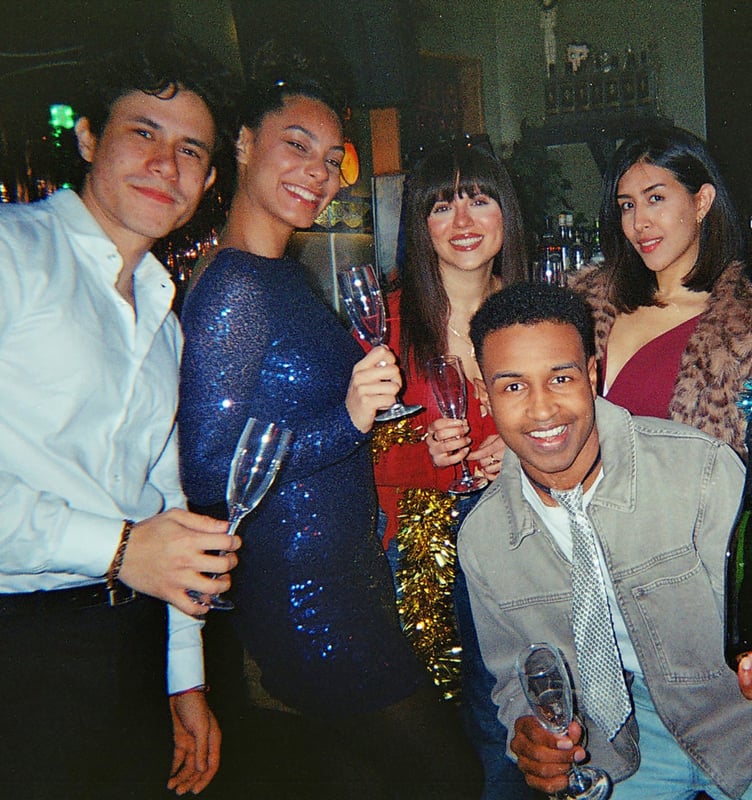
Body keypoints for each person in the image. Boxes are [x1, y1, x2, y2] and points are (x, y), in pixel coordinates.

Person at [177, 43, 481, 797]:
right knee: (450, 777)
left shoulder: (277, 272)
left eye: (333, 157)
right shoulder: (238, 287)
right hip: (309, 596)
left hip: (344, 577)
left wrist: (374, 419)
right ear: (242, 144)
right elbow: (208, 474)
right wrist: (348, 419)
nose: (318, 171)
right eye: (297, 147)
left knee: (364, 779)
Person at [457, 281, 752, 799]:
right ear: (484, 395)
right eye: (513, 387)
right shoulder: (483, 538)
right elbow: (513, 676)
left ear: (592, 374)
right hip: (615, 746)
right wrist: (529, 730)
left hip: (751, 722)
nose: (543, 410)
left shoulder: (698, 468)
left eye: (561, 378)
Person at [0, 35, 237, 797]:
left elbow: (162, 500)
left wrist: (182, 677)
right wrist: (119, 548)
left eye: (191, 151)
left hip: (128, 643)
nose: (167, 166)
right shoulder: (13, 256)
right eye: (144, 133)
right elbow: (138, 538)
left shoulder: (164, 318)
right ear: (88, 138)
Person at [372, 140, 534, 799]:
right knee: (428, 734)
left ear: (506, 215)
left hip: (519, 535)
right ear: (420, 224)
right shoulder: (385, 320)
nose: (464, 221)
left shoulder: (536, 314)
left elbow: (580, 427)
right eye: (442, 205)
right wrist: (424, 459)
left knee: (509, 712)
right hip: (416, 551)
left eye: (480, 199)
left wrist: (520, 454)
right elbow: (349, 454)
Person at [572, 125, 752, 456]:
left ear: (701, 202)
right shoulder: (582, 302)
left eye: (655, 199)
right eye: (627, 205)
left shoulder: (749, 334)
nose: (639, 222)